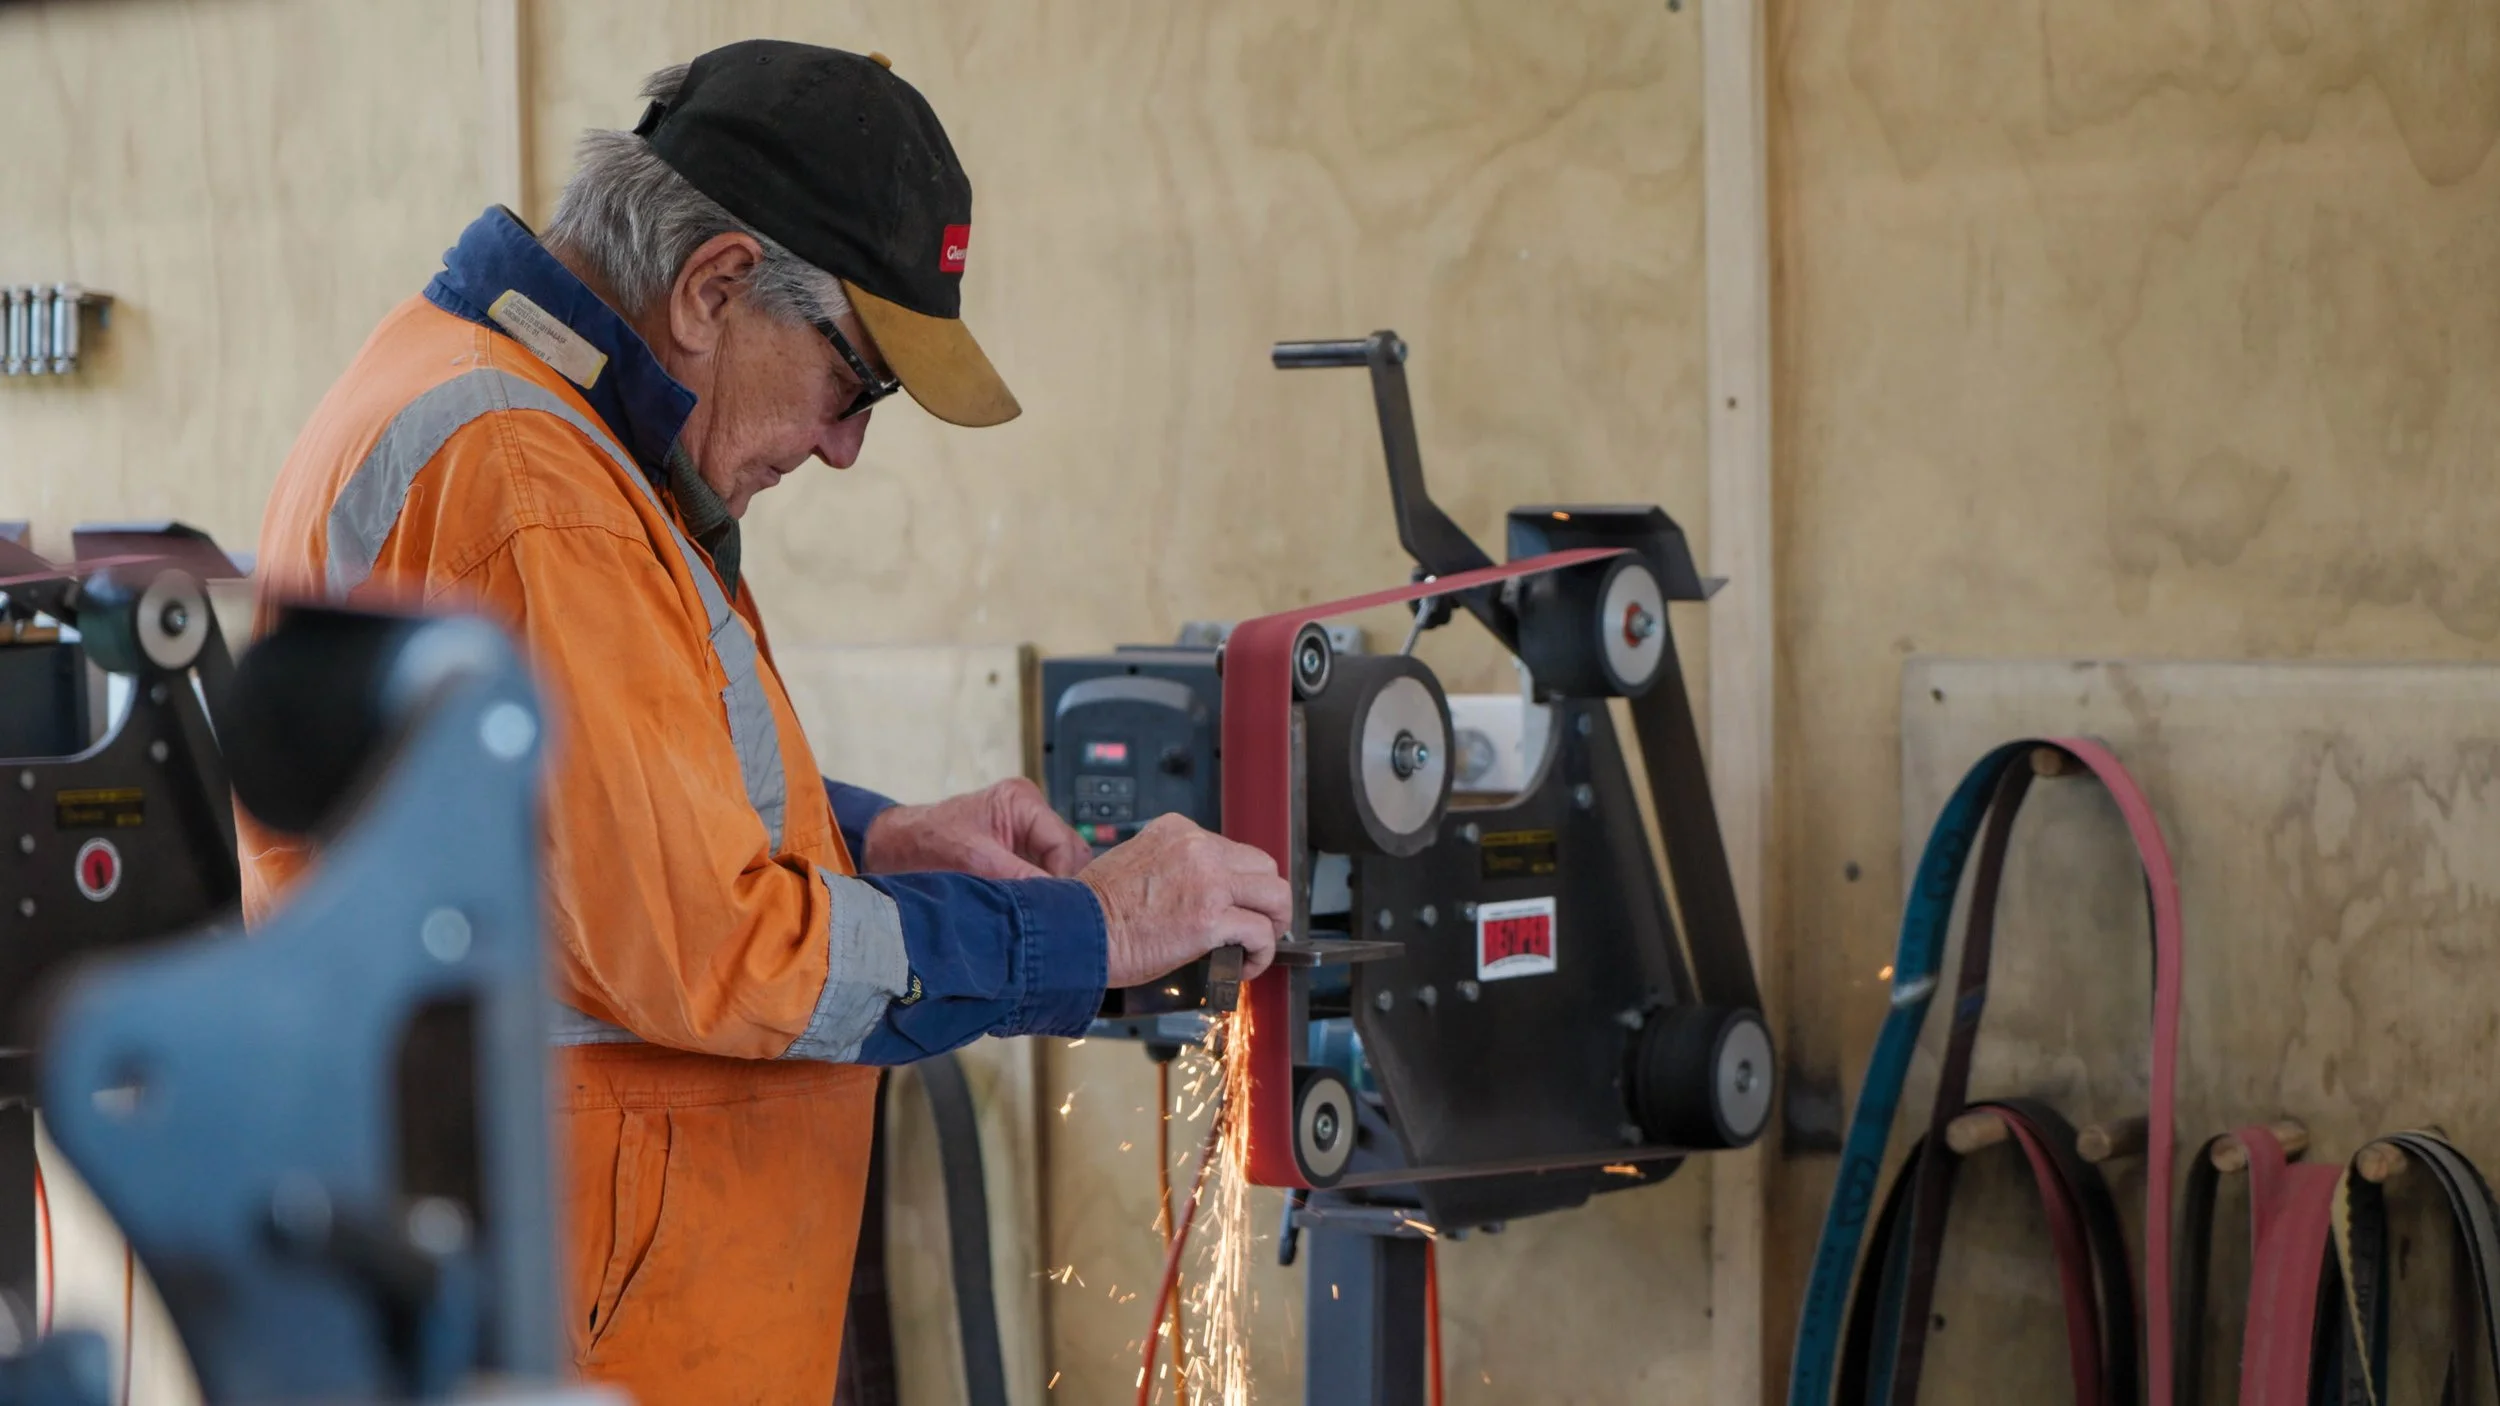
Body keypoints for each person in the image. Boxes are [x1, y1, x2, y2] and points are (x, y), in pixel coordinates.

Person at [244, 39, 1289, 1405]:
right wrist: (1093, 929)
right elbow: (716, 944)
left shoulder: (538, 426)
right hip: (565, 1329)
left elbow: (601, 803)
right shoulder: (529, 480)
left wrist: (879, 832)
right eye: (857, 380)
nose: (849, 443)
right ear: (716, 285)